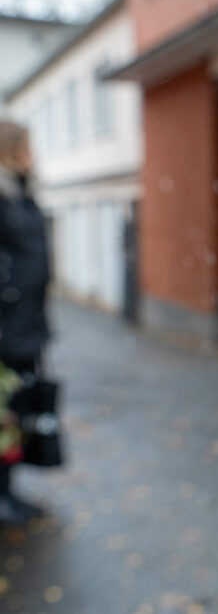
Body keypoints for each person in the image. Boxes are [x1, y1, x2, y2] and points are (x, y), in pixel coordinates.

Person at [0, 121, 50, 524]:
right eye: (28, 146)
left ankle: (8, 491)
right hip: (8, 326)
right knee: (4, 412)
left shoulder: (21, 193)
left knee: (17, 411)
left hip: (26, 323)